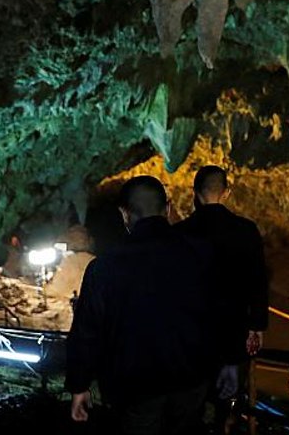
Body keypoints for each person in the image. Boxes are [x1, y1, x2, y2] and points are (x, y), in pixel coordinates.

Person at [66, 175, 215, 434]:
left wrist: (79, 385)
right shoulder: (201, 253)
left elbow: (88, 331)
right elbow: (217, 315)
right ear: (167, 208)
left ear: (124, 214)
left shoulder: (105, 267)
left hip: (135, 385)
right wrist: (227, 365)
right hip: (191, 379)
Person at [177, 165, 270, 434]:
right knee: (224, 406)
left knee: (190, 408)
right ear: (227, 193)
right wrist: (257, 326)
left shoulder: (181, 232)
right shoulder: (245, 230)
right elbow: (258, 282)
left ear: (195, 193)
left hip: (190, 337)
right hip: (232, 334)